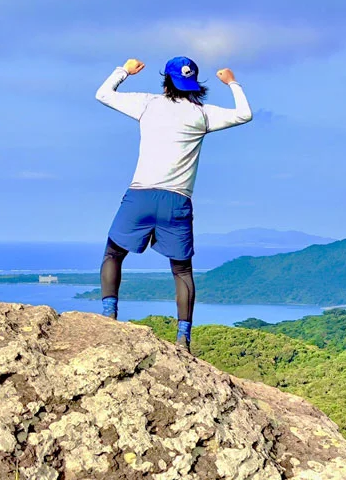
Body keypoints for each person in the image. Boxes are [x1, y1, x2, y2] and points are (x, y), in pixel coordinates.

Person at [94, 56, 252, 353]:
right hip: (177, 201)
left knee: (113, 253)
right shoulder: (204, 115)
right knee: (182, 271)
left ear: (166, 81)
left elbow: (102, 94)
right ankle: (183, 338)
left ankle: (109, 317)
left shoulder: (147, 104)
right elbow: (245, 114)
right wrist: (232, 82)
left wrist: (124, 71)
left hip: (140, 195)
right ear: (194, 84)